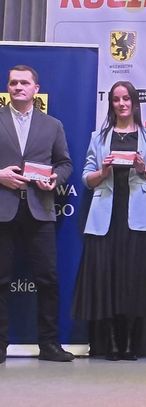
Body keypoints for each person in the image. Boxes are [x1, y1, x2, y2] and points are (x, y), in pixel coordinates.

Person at [72, 81, 146, 361]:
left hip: (140, 219)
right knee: (108, 279)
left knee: (134, 279)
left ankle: (130, 344)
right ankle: (112, 343)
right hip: (106, 218)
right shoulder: (98, 137)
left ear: (135, 103)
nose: (122, 104)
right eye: (116, 99)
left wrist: (144, 168)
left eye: (126, 99)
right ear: (111, 104)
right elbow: (86, 178)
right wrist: (103, 171)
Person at [0, 65, 74, 363]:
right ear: (8, 87)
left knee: (48, 279)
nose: (18, 87)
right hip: (3, 210)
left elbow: (65, 164)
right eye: (13, 83)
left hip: (39, 210)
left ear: (35, 89)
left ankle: (49, 345)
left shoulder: (52, 125)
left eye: (24, 83)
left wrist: (55, 179)